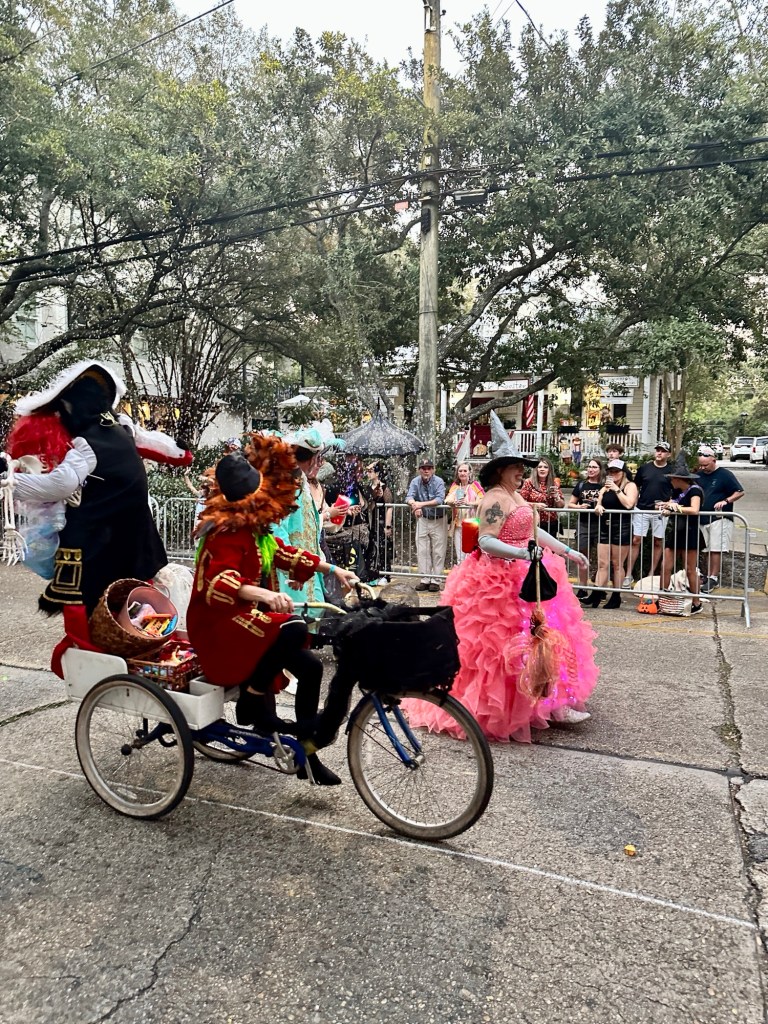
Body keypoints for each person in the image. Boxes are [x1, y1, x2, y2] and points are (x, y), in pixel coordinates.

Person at [404, 411, 596, 743]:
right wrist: (523, 553)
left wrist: (566, 551)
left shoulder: (516, 495)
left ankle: (552, 702)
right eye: (515, 466)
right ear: (500, 470)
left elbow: (533, 529)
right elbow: (486, 541)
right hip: (496, 581)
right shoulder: (493, 498)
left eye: (523, 467)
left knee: (545, 635)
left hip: (527, 573)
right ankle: (507, 707)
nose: (522, 471)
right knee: (501, 648)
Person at [186, 443, 358, 785]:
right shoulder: (221, 532)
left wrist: (332, 569)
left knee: (310, 667)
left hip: (246, 615)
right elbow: (217, 583)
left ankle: (307, 753)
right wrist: (264, 593)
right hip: (218, 623)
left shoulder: (254, 528)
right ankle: (251, 701)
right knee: (293, 627)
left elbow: (283, 553)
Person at [10, 360, 192, 614]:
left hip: (97, 544)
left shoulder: (86, 444)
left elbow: (59, 485)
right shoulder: (122, 429)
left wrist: (10, 482)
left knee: (88, 618)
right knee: (131, 610)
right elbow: (160, 445)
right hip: (136, 540)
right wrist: (182, 453)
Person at [272, 427, 327, 610]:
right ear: (313, 458)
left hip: (305, 568)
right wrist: (293, 566)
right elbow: (278, 530)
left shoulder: (298, 481)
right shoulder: (287, 483)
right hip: (292, 574)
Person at [590, 459, 638, 609]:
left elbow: (629, 504)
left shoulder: (630, 486)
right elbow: (599, 501)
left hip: (621, 526)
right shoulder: (606, 487)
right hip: (605, 526)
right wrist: (598, 506)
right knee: (602, 563)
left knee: (617, 564)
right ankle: (596, 593)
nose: (613, 474)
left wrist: (617, 489)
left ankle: (616, 595)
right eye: (610, 472)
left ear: (623, 473)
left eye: (616, 471)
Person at [659, 455, 704, 614]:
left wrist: (674, 508)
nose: (670, 480)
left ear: (679, 479)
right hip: (676, 531)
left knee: (690, 569)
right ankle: (662, 597)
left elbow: (694, 510)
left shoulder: (695, 491)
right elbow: (673, 504)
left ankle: (696, 602)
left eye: (672, 478)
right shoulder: (676, 490)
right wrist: (666, 508)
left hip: (689, 532)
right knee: (666, 565)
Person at [696, 446, 745, 593]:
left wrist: (726, 501)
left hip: (719, 517)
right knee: (706, 549)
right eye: (701, 465)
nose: (703, 468)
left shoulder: (725, 475)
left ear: (714, 460)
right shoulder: (699, 475)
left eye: (706, 465)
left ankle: (713, 577)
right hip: (702, 517)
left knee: (715, 548)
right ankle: (706, 575)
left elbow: (739, 491)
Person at [624, 442, 673, 587]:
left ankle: (651, 574)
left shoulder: (671, 470)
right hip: (642, 508)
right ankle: (628, 574)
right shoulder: (645, 468)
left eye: (663, 451)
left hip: (660, 511)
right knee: (636, 540)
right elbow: (635, 486)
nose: (659, 453)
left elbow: (676, 492)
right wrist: (633, 501)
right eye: (657, 450)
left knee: (658, 541)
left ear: (668, 454)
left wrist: (668, 504)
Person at [405, 457, 447, 591]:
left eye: (429, 468)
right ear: (419, 470)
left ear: (433, 470)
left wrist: (420, 505)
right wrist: (415, 506)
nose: (426, 471)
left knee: (438, 550)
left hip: (438, 519)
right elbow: (409, 497)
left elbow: (439, 499)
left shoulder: (439, 481)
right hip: (423, 519)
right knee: (422, 549)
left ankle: (436, 579)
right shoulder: (415, 481)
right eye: (423, 468)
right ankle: (425, 578)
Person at [567, 457, 605, 601]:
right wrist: (579, 507)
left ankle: (599, 587)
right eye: (589, 467)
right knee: (583, 555)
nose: (591, 469)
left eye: (594, 467)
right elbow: (571, 503)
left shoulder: (604, 485)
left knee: (602, 558)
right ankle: (583, 587)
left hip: (601, 525)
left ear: (600, 470)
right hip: (584, 524)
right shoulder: (581, 485)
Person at [444, 463, 484, 564]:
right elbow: (447, 499)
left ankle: (469, 577)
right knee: (460, 555)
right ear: (457, 473)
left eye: (465, 471)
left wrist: (469, 504)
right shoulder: (456, 486)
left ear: (469, 473)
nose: (462, 473)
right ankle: (461, 577)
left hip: (472, 524)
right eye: (460, 471)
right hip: (458, 524)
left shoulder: (475, 485)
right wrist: (454, 502)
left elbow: (483, 500)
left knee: (471, 554)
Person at [363, 461, 393, 581]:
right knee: (372, 547)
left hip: (380, 522)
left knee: (382, 547)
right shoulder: (368, 488)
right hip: (371, 522)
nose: (368, 473)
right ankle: (373, 573)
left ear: (377, 473)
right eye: (367, 471)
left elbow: (389, 507)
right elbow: (368, 506)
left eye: (371, 471)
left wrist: (388, 526)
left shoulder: (384, 488)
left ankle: (385, 573)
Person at [519, 458, 564, 537]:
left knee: (549, 548)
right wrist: (534, 505)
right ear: (536, 469)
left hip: (551, 523)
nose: (542, 469)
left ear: (549, 470)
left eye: (545, 467)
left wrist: (557, 498)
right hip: (534, 521)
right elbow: (520, 502)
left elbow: (561, 505)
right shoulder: (528, 482)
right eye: (540, 467)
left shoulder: (554, 483)